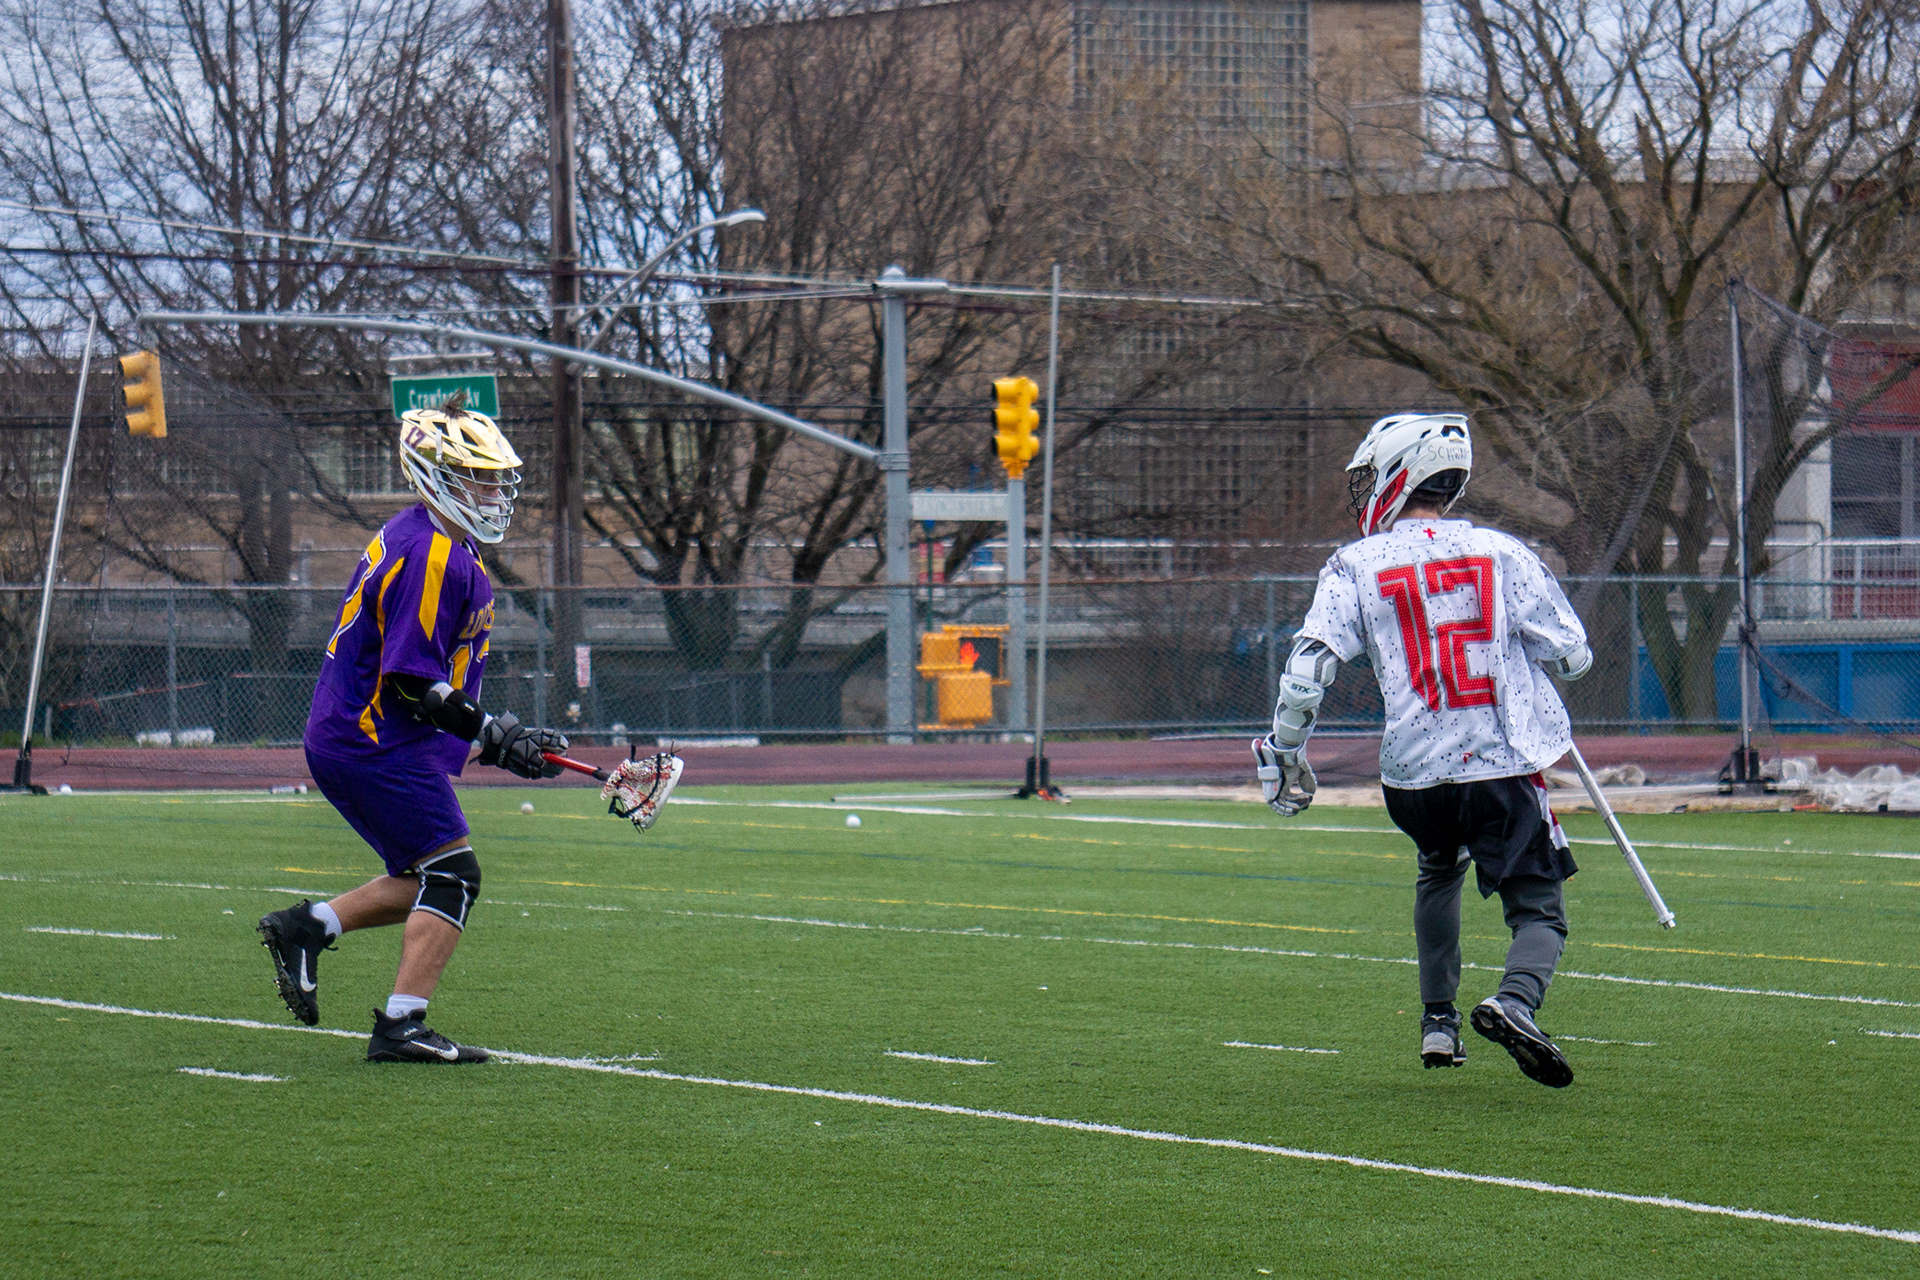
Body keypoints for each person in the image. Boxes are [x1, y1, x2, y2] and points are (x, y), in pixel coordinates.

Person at [1253, 412, 1593, 1087]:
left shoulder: (1355, 563)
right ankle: (1515, 1001)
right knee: (1539, 908)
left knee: (1439, 868)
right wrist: (1522, 648)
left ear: (1399, 473)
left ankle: (1439, 1022)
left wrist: (1285, 750)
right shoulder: (1502, 551)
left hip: (1410, 777)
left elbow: (1308, 671)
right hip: (1498, 766)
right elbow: (1574, 656)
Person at [258, 400, 569, 1063]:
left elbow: (430, 677)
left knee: (426, 874)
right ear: (436, 475)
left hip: (370, 735)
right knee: (454, 875)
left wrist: (497, 738)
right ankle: (402, 1026)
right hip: (372, 739)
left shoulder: (432, 538)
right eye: (477, 478)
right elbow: (411, 680)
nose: (494, 493)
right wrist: (491, 732)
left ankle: (308, 927)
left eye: (495, 479)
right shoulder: (431, 551)